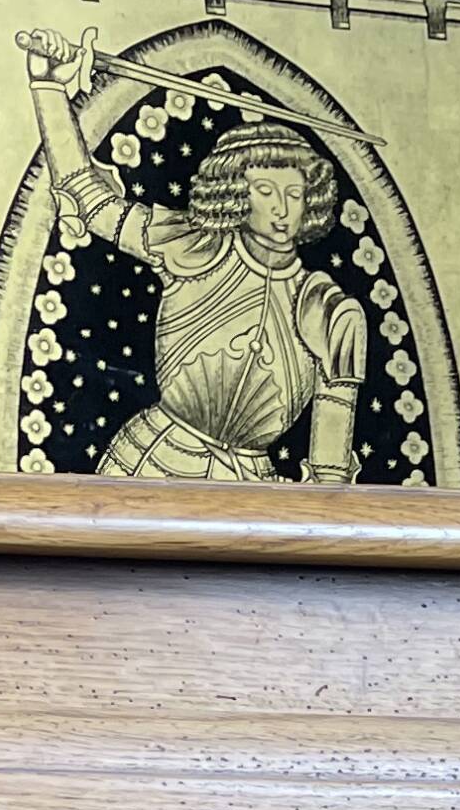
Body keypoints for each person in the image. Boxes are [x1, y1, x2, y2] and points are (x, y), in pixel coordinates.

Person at [19, 27, 370, 482]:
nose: (283, 210)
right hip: (148, 466)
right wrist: (49, 87)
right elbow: (89, 198)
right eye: (266, 191)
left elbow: (331, 467)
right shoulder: (192, 243)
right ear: (235, 191)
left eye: (295, 194)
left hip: (252, 492)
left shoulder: (327, 307)